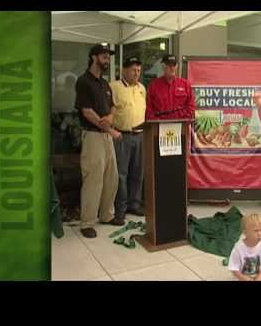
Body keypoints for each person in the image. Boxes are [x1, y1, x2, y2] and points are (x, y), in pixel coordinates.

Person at [74, 43, 123, 238]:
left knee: (112, 177)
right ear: (94, 57)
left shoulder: (105, 84)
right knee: (93, 179)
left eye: (108, 56)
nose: (107, 59)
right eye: (104, 56)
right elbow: (87, 112)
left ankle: (106, 215)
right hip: (93, 136)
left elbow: (112, 108)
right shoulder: (83, 81)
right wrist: (110, 129)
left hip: (105, 136)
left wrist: (110, 117)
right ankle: (87, 222)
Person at [109, 57, 147, 223]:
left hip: (141, 135)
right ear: (124, 70)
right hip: (122, 136)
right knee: (122, 174)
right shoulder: (114, 87)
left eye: (139, 70)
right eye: (133, 70)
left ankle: (135, 204)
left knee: (138, 173)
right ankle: (120, 209)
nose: (136, 73)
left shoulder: (142, 88)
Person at [145, 54, 196, 120]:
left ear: (177, 66)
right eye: (169, 65)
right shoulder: (153, 86)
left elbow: (191, 107)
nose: (172, 68)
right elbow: (149, 111)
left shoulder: (186, 85)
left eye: (174, 65)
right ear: (163, 66)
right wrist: (158, 123)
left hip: (181, 126)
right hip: (160, 126)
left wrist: (183, 121)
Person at [228, 214, 261, 281]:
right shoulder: (238, 248)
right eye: (256, 230)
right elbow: (234, 268)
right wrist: (243, 278)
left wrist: (259, 278)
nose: (260, 233)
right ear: (245, 232)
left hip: (259, 277)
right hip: (242, 278)